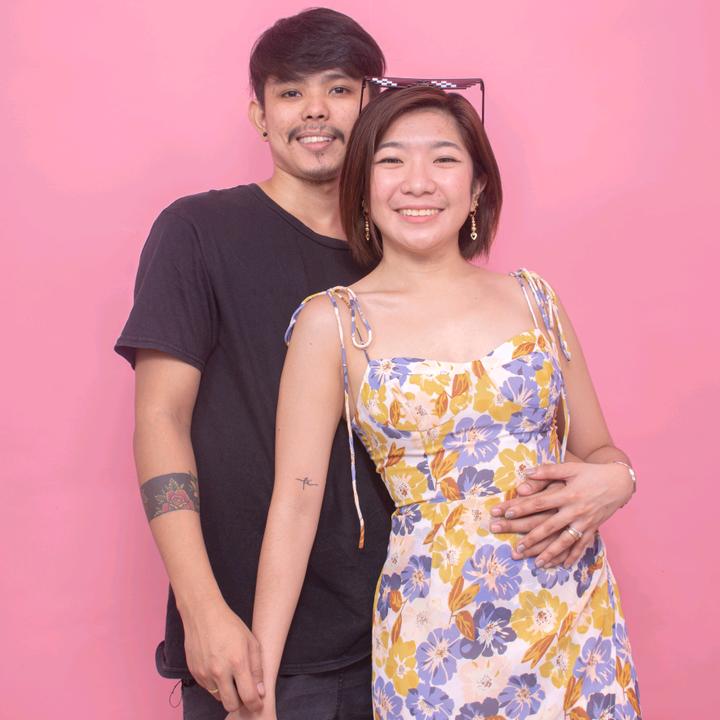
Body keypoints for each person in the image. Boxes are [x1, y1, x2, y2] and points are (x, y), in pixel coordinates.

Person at [249, 86, 641, 719]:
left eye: (444, 159)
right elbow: (295, 505)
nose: (418, 182)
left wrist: (618, 480)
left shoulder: (534, 299)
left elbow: (599, 450)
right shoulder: (335, 322)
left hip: (572, 617)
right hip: (435, 633)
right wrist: (260, 688)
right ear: (363, 187)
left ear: (477, 185)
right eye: (392, 160)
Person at [114, 9, 396, 720]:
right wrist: (201, 609)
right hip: (248, 643)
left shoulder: (400, 251)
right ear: (259, 115)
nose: (316, 110)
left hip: (402, 634)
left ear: (372, 103)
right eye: (291, 92)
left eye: (339, 88)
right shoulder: (198, 231)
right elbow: (160, 418)